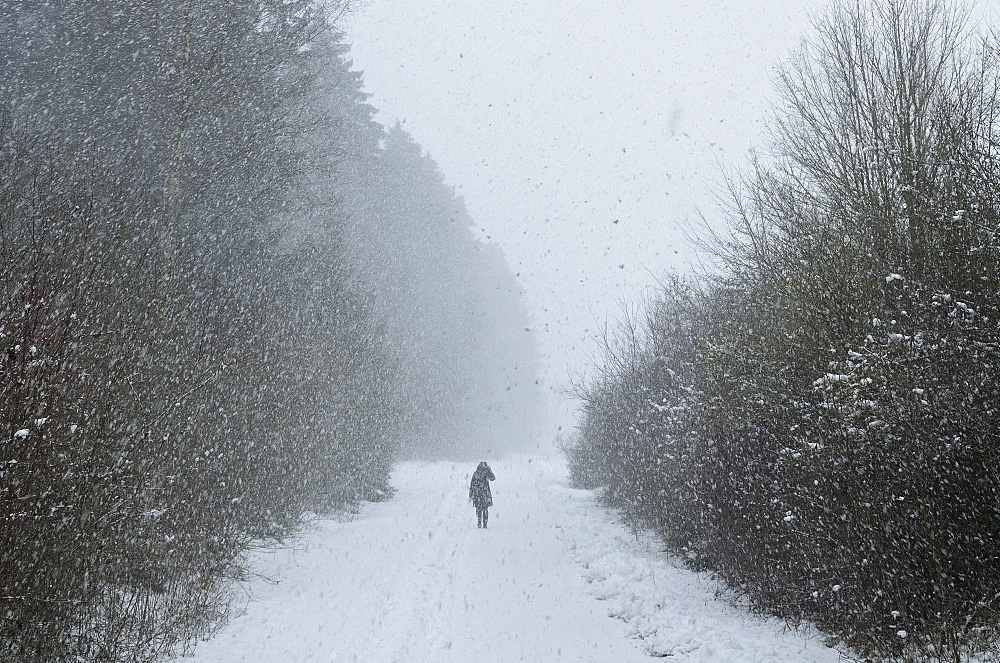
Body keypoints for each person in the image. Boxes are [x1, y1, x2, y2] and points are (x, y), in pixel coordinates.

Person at [469, 461, 496, 528]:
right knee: (485, 509)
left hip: (477, 493)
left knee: (478, 508)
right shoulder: (487, 473)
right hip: (485, 493)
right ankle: (485, 523)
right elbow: (493, 478)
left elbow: (472, 484)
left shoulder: (475, 474)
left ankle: (479, 521)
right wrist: (489, 471)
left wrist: (471, 493)